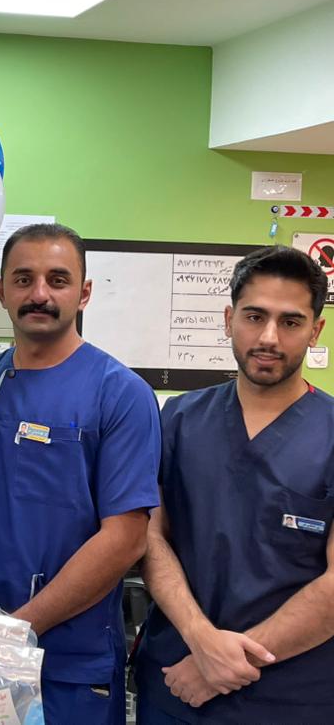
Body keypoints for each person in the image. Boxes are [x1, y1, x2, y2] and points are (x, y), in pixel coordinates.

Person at [0, 223, 160, 725]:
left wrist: (17, 629)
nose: (39, 294)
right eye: (23, 279)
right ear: (1, 291)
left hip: (69, 666)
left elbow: (126, 537)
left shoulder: (121, 394)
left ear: (84, 293)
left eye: (58, 280)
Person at [135, 246, 334, 724]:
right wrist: (201, 640)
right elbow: (148, 536)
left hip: (291, 697)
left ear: (316, 330)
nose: (268, 337)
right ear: (229, 320)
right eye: (254, 316)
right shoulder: (178, 419)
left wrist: (222, 665)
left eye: (290, 321)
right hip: (176, 682)